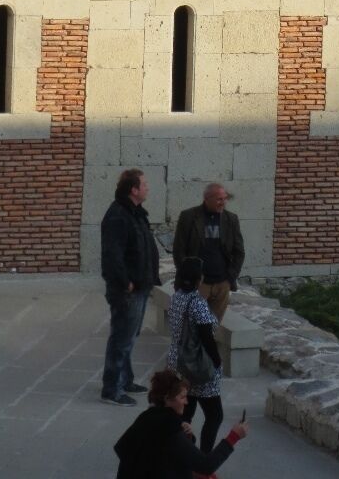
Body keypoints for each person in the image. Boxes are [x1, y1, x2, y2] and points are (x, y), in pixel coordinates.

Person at [114, 368, 247, 479]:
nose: (186, 402)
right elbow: (206, 465)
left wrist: (186, 437)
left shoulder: (148, 416)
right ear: (167, 399)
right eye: (182, 397)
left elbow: (126, 450)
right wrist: (234, 436)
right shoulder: (168, 426)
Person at [100, 168, 160, 407]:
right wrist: (126, 282)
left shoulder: (135, 212)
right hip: (128, 290)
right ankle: (111, 390)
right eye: (144, 184)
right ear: (134, 190)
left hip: (140, 285)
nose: (147, 187)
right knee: (121, 338)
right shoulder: (118, 216)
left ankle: (125, 380)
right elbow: (112, 255)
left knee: (130, 336)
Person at [167, 257, 223, 452]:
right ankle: (203, 459)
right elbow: (206, 337)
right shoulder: (197, 303)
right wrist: (216, 362)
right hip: (197, 365)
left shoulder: (176, 297)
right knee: (214, 415)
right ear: (199, 279)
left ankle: (183, 454)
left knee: (185, 413)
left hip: (178, 362)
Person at [172, 183, 244, 324]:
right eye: (219, 199)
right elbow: (179, 250)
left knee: (212, 328)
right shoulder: (189, 217)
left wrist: (230, 277)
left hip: (222, 284)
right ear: (207, 198)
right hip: (198, 284)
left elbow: (239, 251)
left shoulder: (231, 219)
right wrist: (189, 278)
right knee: (192, 327)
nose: (223, 203)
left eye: (225, 199)